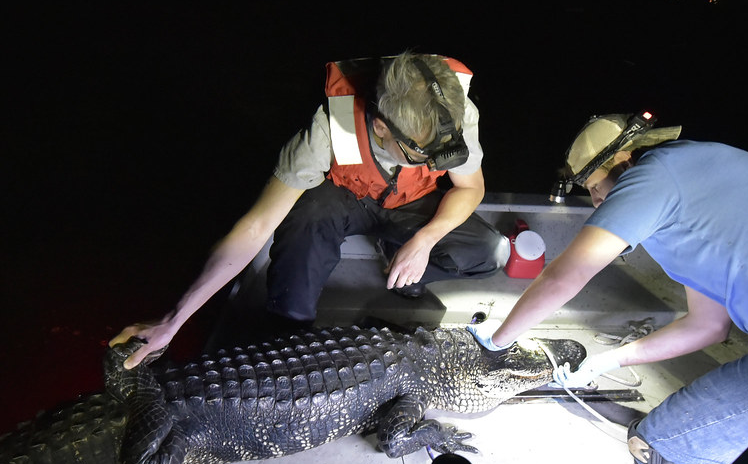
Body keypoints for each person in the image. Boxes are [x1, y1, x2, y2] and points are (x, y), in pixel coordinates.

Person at [470, 112, 748, 464]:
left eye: (595, 187)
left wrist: (498, 340)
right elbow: (707, 326)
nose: (596, 202)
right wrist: (611, 360)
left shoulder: (654, 177)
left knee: (654, 448)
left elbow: (564, 278)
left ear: (624, 163)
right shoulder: (702, 185)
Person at [113, 52, 508, 369]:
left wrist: (425, 239)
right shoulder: (325, 130)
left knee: (492, 251)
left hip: (410, 202)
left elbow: (470, 186)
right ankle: (289, 331)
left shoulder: (452, 115)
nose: (438, 164)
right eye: (423, 154)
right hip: (343, 196)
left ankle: (402, 261)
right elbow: (256, 225)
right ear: (382, 127)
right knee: (301, 220)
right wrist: (173, 320)